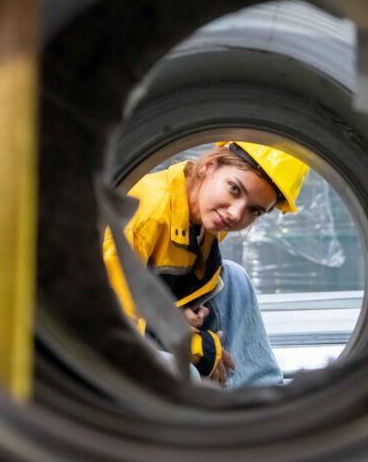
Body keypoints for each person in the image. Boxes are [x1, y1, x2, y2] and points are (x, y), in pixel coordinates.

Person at [103, 141, 309, 388]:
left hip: (149, 319)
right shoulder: (143, 218)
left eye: (254, 211)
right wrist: (201, 348)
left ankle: (260, 399)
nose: (235, 214)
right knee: (186, 373)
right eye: (234, 189)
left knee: (235, 278)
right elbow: (110, 322)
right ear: (209, 166)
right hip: (97, 340)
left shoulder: (207, 214)